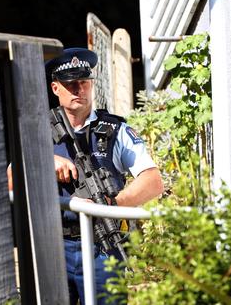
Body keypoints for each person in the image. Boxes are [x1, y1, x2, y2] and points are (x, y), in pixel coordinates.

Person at [44, 47, 163, 304]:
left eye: (84, 83)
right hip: (53, 244)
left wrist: (111, 205)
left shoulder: (114, 130)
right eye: (71, 84)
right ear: (56, 89)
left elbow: (153, 181)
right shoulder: (38, 129)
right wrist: (44, 163)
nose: (79, 90)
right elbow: (11, 179)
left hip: (102, 244)